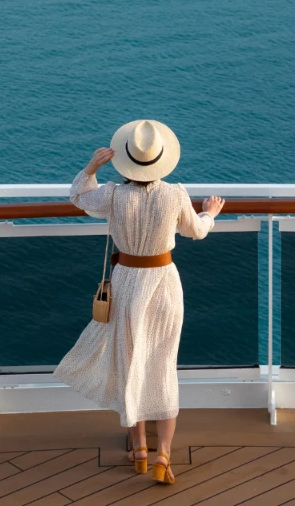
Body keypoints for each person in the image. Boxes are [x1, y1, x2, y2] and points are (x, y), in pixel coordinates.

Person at [54, 119, 225, 485]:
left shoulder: (114, 195)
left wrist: (91, 167)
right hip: (164, 286)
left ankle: (140, 450)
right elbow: (196, 231)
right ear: (161, 159)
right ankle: (164, 452)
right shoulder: (176, 195)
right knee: (163, 365)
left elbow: (78, 196)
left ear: (127, 160)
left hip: (128, 284)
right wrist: (210, 212)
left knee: (130, 363)